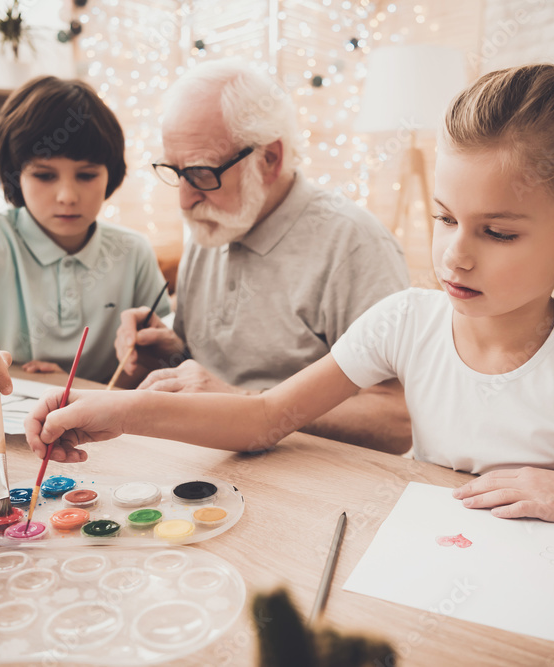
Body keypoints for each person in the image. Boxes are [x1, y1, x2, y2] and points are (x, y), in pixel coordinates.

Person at [25, 63, 554, 543]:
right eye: (446, 219)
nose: (456, 253)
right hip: (421, 560)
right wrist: (114, 412)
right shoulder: (407, 322)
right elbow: (263, 417)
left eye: (496, 231)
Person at [110, 59, 412, 453]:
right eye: (175, 171)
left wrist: (244, 404)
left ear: (269, 159)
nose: (185, 199)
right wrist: (170, 353)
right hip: (198, 461)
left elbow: (396, 419)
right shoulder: (213, 220)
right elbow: (211, 370)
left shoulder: (354, 244)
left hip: (305, 480)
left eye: (202, 173)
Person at [0, 76, 170, 401]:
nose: (67, 196)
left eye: (87, 175)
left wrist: (90, 380)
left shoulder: (132, 251)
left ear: (111, 174)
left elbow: (155, 359)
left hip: (104, 422)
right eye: (44, 175)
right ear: (15, 175)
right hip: (8, 419)